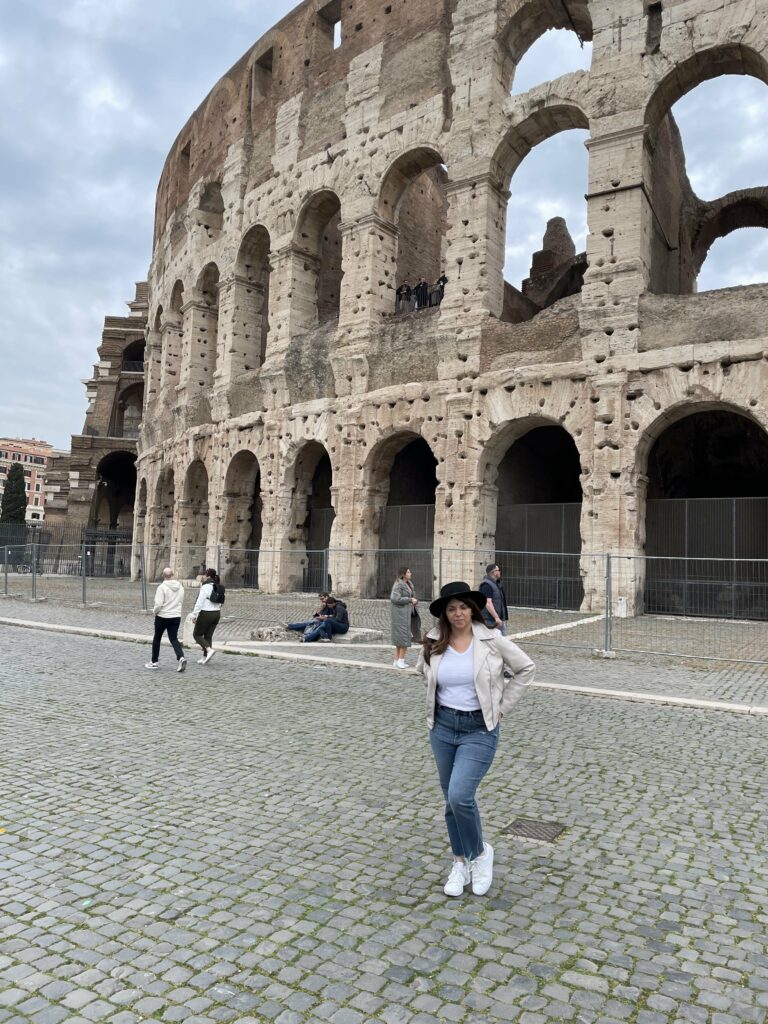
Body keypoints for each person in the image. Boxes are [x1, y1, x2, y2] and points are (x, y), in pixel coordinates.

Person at [416, 581, 535, 897]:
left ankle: (480, 854)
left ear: (473, 609)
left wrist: (502, 708)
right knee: (450, 802)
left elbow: (526, 668)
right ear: (445, 613)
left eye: (464, 607)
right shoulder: (433, 640)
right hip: (442, 727)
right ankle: (460, 861)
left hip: (479, 728)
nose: (458, 614)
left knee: (460, 795)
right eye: (452, 608)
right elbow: (423, 670)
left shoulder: (491, 639)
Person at [145, 567, 187, 672]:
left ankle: (154, 662)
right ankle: (181, 657)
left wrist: (155, 611)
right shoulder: (180, 587)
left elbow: (158, 604)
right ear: (172, 575)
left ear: (163, 576)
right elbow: (181, 601)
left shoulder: (162, 587)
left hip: (162, 616)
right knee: (173, 638)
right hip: (176, 616)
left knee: (157, 638)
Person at [191, 567, 224, 664]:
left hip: (206, 613)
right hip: (217, 613)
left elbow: (199, 603)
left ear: (207, 576)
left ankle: (209, 650)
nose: (202, 576)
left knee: (196, 634)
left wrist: (194, 615)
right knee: (208, 636)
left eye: (204, 575)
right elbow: (220, 602)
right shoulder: (217, 586)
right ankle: (205, 657)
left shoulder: (205, 587)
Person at [390, 566, 420, 669]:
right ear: (403, 574)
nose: (410, 573)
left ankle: (396, 660)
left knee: (401, 637)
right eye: (408, 572)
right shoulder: (398, 585)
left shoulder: (408, 584)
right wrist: (409, 599)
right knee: (404, 637)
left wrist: (413, 600)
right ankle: (401, 661)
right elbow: (395, 599)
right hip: (400, 615)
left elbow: (411, 596)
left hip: (407, 613)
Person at [479, 563, 508, 634]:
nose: (500, 572)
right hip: (490, 620)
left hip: (498, 619)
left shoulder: (496, 584)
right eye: (498, 570)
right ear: (494, 572)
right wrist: (496, 617)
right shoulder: (486, 585)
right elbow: (488, 603)